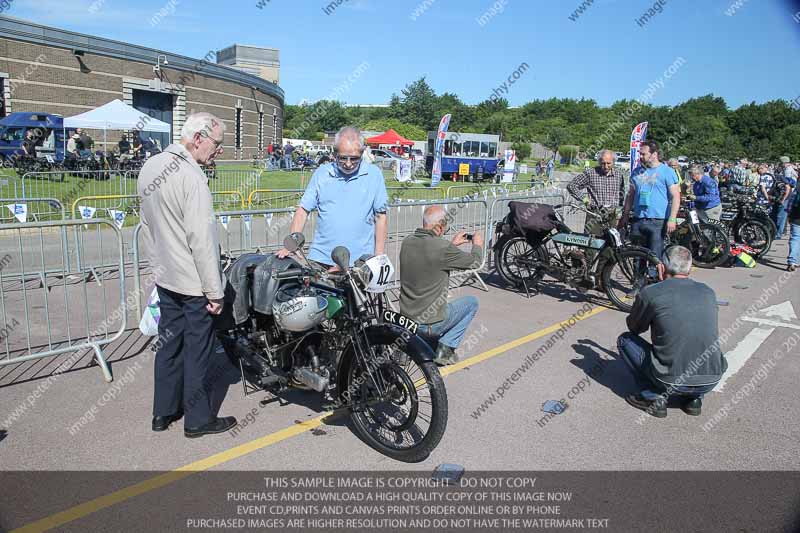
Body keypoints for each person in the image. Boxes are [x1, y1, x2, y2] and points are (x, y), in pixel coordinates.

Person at [138, 112, 237, 438]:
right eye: (217, 144)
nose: (218, 152)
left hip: (167, 278)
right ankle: (197, 420)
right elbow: (202, 241)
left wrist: (157, 269)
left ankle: (161, 412)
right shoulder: (192, 177)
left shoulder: (151, 166)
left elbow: (146, 229)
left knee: (168, 345)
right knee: (198, 351)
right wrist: (214, 291)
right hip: (193, 283)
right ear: (198, 139)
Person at [617, 246, 727, 418]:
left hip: (669, 379)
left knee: (625, 340)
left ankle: (653, 396)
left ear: (661, 268)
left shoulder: (651, 293)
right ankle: (694, 399)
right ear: (689, 269)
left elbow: (634, 328)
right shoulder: (708, 292)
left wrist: (646, 301)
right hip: (711, 379)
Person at [277, 126, 388, 268]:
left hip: (359, 263)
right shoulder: (322, 173)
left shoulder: (374, 175)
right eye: (342, 158)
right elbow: (303, 210)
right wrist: (292, 244)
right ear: (335, 153)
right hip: (322, 260)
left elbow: (381, 216)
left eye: (354, 158)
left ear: (362, 152)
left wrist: (379, 256)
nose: (348, 164)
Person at [400, 205, 483, 366]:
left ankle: (409, 345)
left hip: (406, 320)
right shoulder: (442, 248)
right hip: (429, 324)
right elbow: (475, 262)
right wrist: (477, 244)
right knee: (471, 302)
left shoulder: (407, 242)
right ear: (439, 227)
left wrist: (451, 245)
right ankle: (445, 350)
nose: (445, 230)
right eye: (445, 227)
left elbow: (430, 258)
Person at [619, 140, 680, 259]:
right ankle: (638, 277)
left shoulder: (667, 172)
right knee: (637, 255)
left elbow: (676, 196)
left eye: (643, 154)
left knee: (655, 255)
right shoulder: (636, 172)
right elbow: (630, 195)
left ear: (654, 154)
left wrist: (672, 218)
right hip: (638, 219)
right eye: (640, 154)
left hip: (658, 220)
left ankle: (654, 277)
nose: (640, 157)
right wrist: (625, 215)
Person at [774, 156, 797, 239]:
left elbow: (787, 184)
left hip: (788, 194)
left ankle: (780, 232)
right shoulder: (791, 169)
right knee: (785, 214)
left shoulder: (787, 170)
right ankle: (783, 230)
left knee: (783, 214)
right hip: (791, 193)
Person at [787, 190, 800, 272]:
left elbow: (790, 202)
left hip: (796, 216)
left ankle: (792, 262)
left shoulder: (798, 188)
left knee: (795, 238)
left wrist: (789, 215)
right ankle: (795, 261)